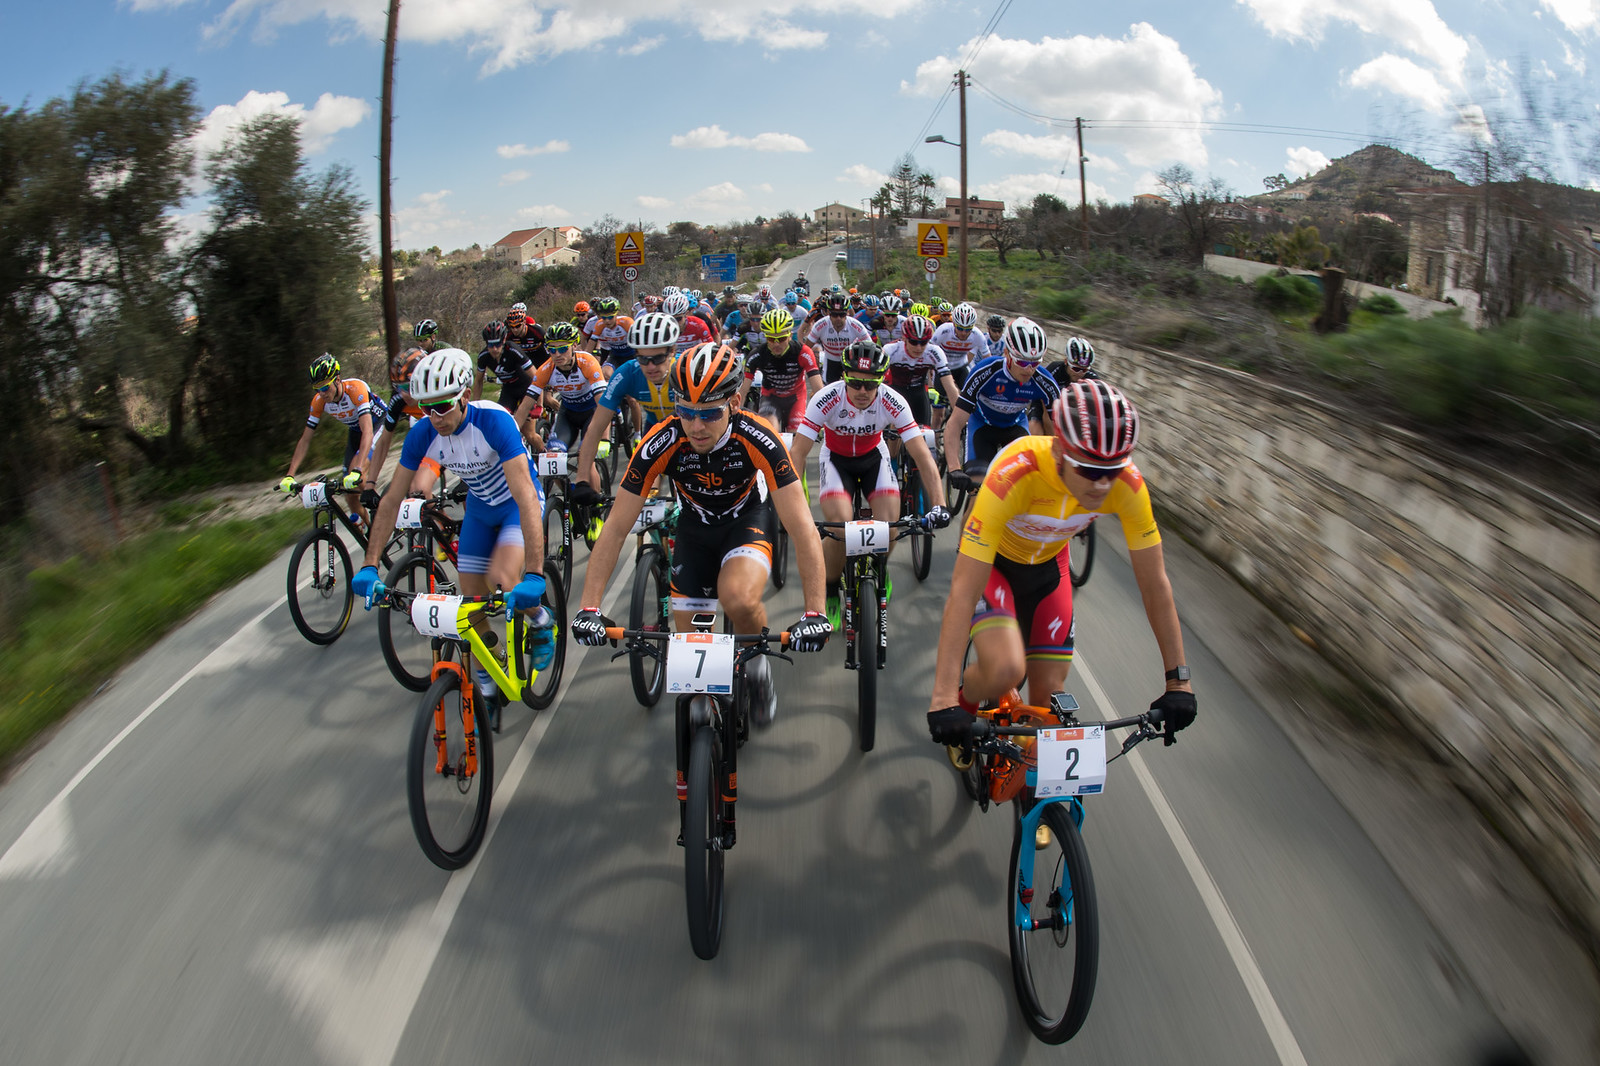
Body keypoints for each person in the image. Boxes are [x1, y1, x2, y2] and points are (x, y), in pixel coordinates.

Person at [924, 381, 1197, 754]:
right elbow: (963, 590)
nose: (1102, 485)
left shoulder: (1128, 485)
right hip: (996, 568)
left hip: (1051, 571)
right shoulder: (1015, 472)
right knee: (1005, 669)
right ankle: (968, 699)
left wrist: (1178, 681)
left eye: (1113, 469)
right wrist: (943, 699)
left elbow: (1155, 585)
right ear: (1058, 451)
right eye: (1087, 468)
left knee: (1049, 704)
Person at [573, 343, 832, 729]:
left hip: (746, 520)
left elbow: (802, 528)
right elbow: (615, 528)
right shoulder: (661, 441)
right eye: (686, 411)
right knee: (693, 654)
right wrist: (589, 606)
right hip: (695, 528)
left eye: (709, 413)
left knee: (738, 598)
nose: (696, 426)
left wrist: (815, 612)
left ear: (736, 401)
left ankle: (758, 670)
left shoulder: (759, 437)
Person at [352, 349, 552, 705]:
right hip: (479, 509)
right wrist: (369, 565)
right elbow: (391, 500)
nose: (435, 417)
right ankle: (488, 678)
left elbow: (524, 499)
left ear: (465, 397)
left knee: (503, 578)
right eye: (427, 409)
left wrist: (535, 573)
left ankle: (540, 619)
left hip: (513, 504)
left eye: (443, 406)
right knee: (471, 606)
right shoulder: (424, 433)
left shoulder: (494, 421)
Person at [786, 340, 950, 628]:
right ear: (844, 377)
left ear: (881, 381)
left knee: (890, 527)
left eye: (871, 385)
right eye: (856, 383)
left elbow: (923, 456)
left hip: (873, 457)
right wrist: (795, 507)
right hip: (836, 459)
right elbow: (797, 454)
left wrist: (940, 504)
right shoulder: (826, 398)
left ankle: (879, 564)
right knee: (839, 528)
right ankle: (830, 586)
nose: (863, 391)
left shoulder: (892, 400)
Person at [943, 317, 1060, 490]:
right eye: (1022, 362)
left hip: (1015, 427)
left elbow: (1060, 430)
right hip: (982, 427)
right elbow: (955, 423)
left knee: (1027, 486)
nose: (1029, 369)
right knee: (978, 490)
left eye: (1035, 363)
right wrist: (954, 468)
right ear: (1007, 353)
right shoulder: (985, 371)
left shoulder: (1044, 381)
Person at [572, 311, 679, 494]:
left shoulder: (684, 371)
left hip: (688, 432)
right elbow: (596, 427)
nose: (651, 366)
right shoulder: (627, 373)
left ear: (672, 351)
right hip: (654, 428)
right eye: (643, 359)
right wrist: (582, 479)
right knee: (645, 490)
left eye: (658, 358)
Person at [278, 354, 384, 527]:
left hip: (377, 425)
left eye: (325, 387)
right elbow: (305, 439)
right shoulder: (319, 401)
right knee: (350, 494)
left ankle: (387, 510)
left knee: (357, 474)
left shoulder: (355, 390)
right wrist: (290, 475)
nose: (322, 393)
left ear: (337, 380)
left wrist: (358, 468)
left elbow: (367, 431)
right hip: (356, 430)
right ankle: (370, 529)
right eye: (317, 389)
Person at [361, 346, 443, 506]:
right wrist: (370, 484)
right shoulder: (398, 399)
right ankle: (437, 518)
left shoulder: (439, 393)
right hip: (426, 433)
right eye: (399, 387)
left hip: (446, 438)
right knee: (415, 489)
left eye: (408, 387)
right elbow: (383, 442)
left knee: (419, 486)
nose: (404, 393)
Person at [742, 308, 824, 432]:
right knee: (769, 432)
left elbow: (819, 390)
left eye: (781, 339)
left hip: (796, 398)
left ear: (790, 335)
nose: (776, 344)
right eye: (770, 339)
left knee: (797, 436)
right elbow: (743, 391)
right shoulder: (757, 354)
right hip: (771, 398)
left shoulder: (803, 352)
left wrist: (822, 420)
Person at [529, 329, 608, 452]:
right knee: (553, 454)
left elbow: (603, 405)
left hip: (591, 413)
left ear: (574, 346)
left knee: (585, 455)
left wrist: (605, 438)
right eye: (552, 350)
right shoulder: (545, 369)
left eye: (562, 349)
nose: (557, 354)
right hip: (568, 415)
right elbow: (525, 405)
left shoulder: (588, 362)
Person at [884, 314, 956, 431]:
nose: (918, 348)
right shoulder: (891, 350)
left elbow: (949, 386)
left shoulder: (934, 352)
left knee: (926, 434)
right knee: (896, 429)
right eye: (913, 342)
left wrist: (959, 416)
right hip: (895, 391)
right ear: (904, 338)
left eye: (923, 343)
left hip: (919, 392)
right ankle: (893, 450)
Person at [473, 321, 538, 431]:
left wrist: (540, 403)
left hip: (526, 389)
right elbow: (478, 381)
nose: (494, 349)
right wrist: (475, 406)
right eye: (490, 345)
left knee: (529, 434)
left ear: (503, 340)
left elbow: (536, 377)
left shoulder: (513, 350)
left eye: (497, 344)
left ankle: (541, 449)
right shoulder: (484, 356)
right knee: (500, 423)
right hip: (509, 391)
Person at [806, 291, 872, 384]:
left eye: (842, 315)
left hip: (850, 361)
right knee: (829, 388)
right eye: (834, 314)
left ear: (847, 313)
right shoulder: (820, 325)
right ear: (828, 312)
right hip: (830, 361)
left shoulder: (855, 325)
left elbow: (870, 347)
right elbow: (806, 348)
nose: (838, 318)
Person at [930, 303, 985, 392]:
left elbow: (988, 358)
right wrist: (930, 371)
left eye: (968, 329)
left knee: (967, 394)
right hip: (943, 367)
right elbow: (930, 350)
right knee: (939, 399)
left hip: (961, 367)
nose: (963, 333)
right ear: (954, 324)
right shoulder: (943, 330)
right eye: (960, 328)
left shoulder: (977, 335)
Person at [581, 297, 635, 377]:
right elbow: (589, 347)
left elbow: (640, 342)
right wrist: (582, 364)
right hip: (615, 355)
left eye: (610, 317)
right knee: (605, 374)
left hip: (632, 354)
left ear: (617, 314)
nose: (607, 321)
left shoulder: (627, 322)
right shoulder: (599, 325)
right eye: (603, 317)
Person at [505, 303, 548, 368]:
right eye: (511, 327)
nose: (515, 330)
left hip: (541, 361)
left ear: (524, 322)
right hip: (525, 363)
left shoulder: (537, 331)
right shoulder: (509, 335)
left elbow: (550, 347)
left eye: (518, 326)